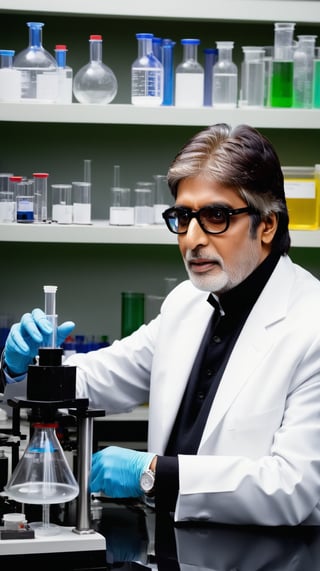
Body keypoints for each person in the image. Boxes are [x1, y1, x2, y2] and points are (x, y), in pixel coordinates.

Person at [2, 123, 320, 526]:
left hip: (267, 557)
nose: (193, 238)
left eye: (216, 216)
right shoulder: (187, 304)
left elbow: (292, 487)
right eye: (183, 217)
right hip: (171, 548)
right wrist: (19, 368)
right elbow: (96, 379)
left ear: (268, 225)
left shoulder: (312, 324)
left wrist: (151, 473)